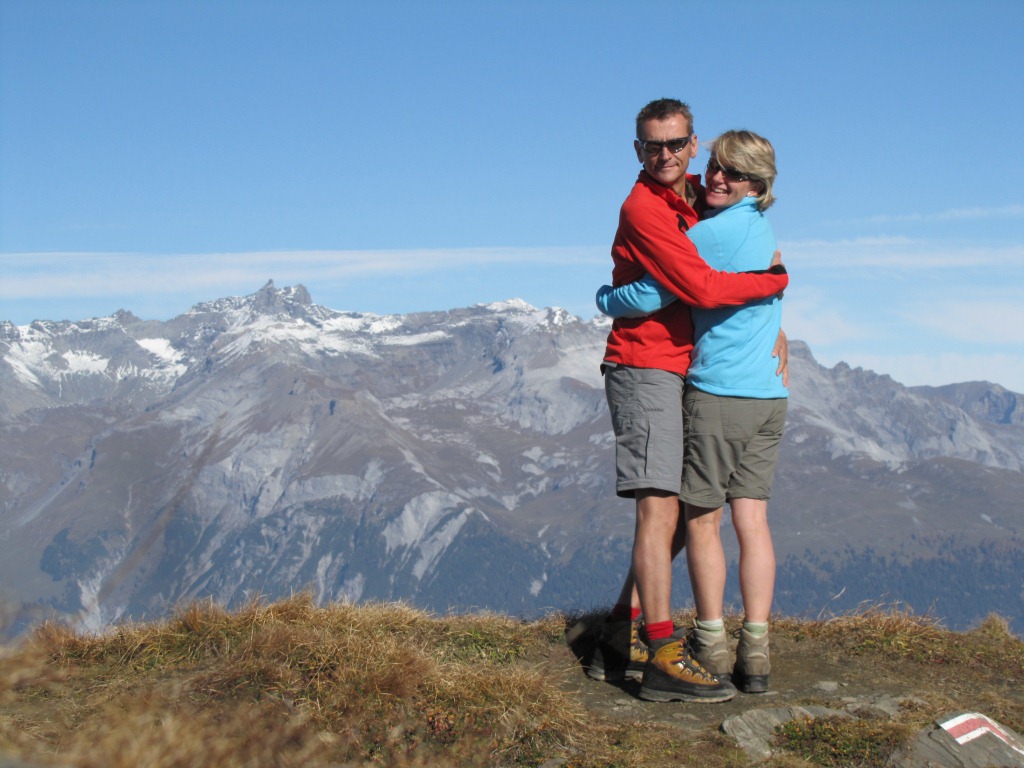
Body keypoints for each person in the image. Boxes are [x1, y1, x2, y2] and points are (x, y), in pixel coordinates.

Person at [588, 99, 788, 703]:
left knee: (676, 512)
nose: (665, 155)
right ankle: (663, 655)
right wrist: (770, 286)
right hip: (645, 364)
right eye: (653, 146)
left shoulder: (704, 192)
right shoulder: (644, 206)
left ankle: (621, 633)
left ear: (693, 144)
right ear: (637, 150)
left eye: (675, 144)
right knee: (661, 508)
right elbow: (697, 284)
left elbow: (748, 231)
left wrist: (774, 318)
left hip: (691, 371)